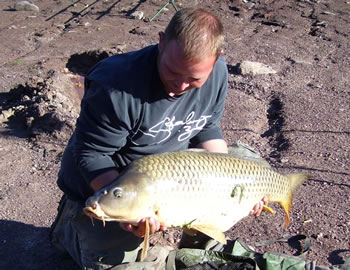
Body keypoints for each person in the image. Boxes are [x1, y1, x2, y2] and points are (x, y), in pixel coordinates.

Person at [50, 7, 267, 270]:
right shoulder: (115, 86)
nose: (181, 86)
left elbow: (207, 127)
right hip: (113, 177)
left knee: (249, 167)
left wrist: (233, 190)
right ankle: (70, 228)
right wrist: (130, 211)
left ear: (216, 58)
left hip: (170, 171)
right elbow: (91, 154)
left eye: (194, 79)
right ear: (161, 42)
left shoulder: (218, 72)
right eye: (173, 72)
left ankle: (199, 242)